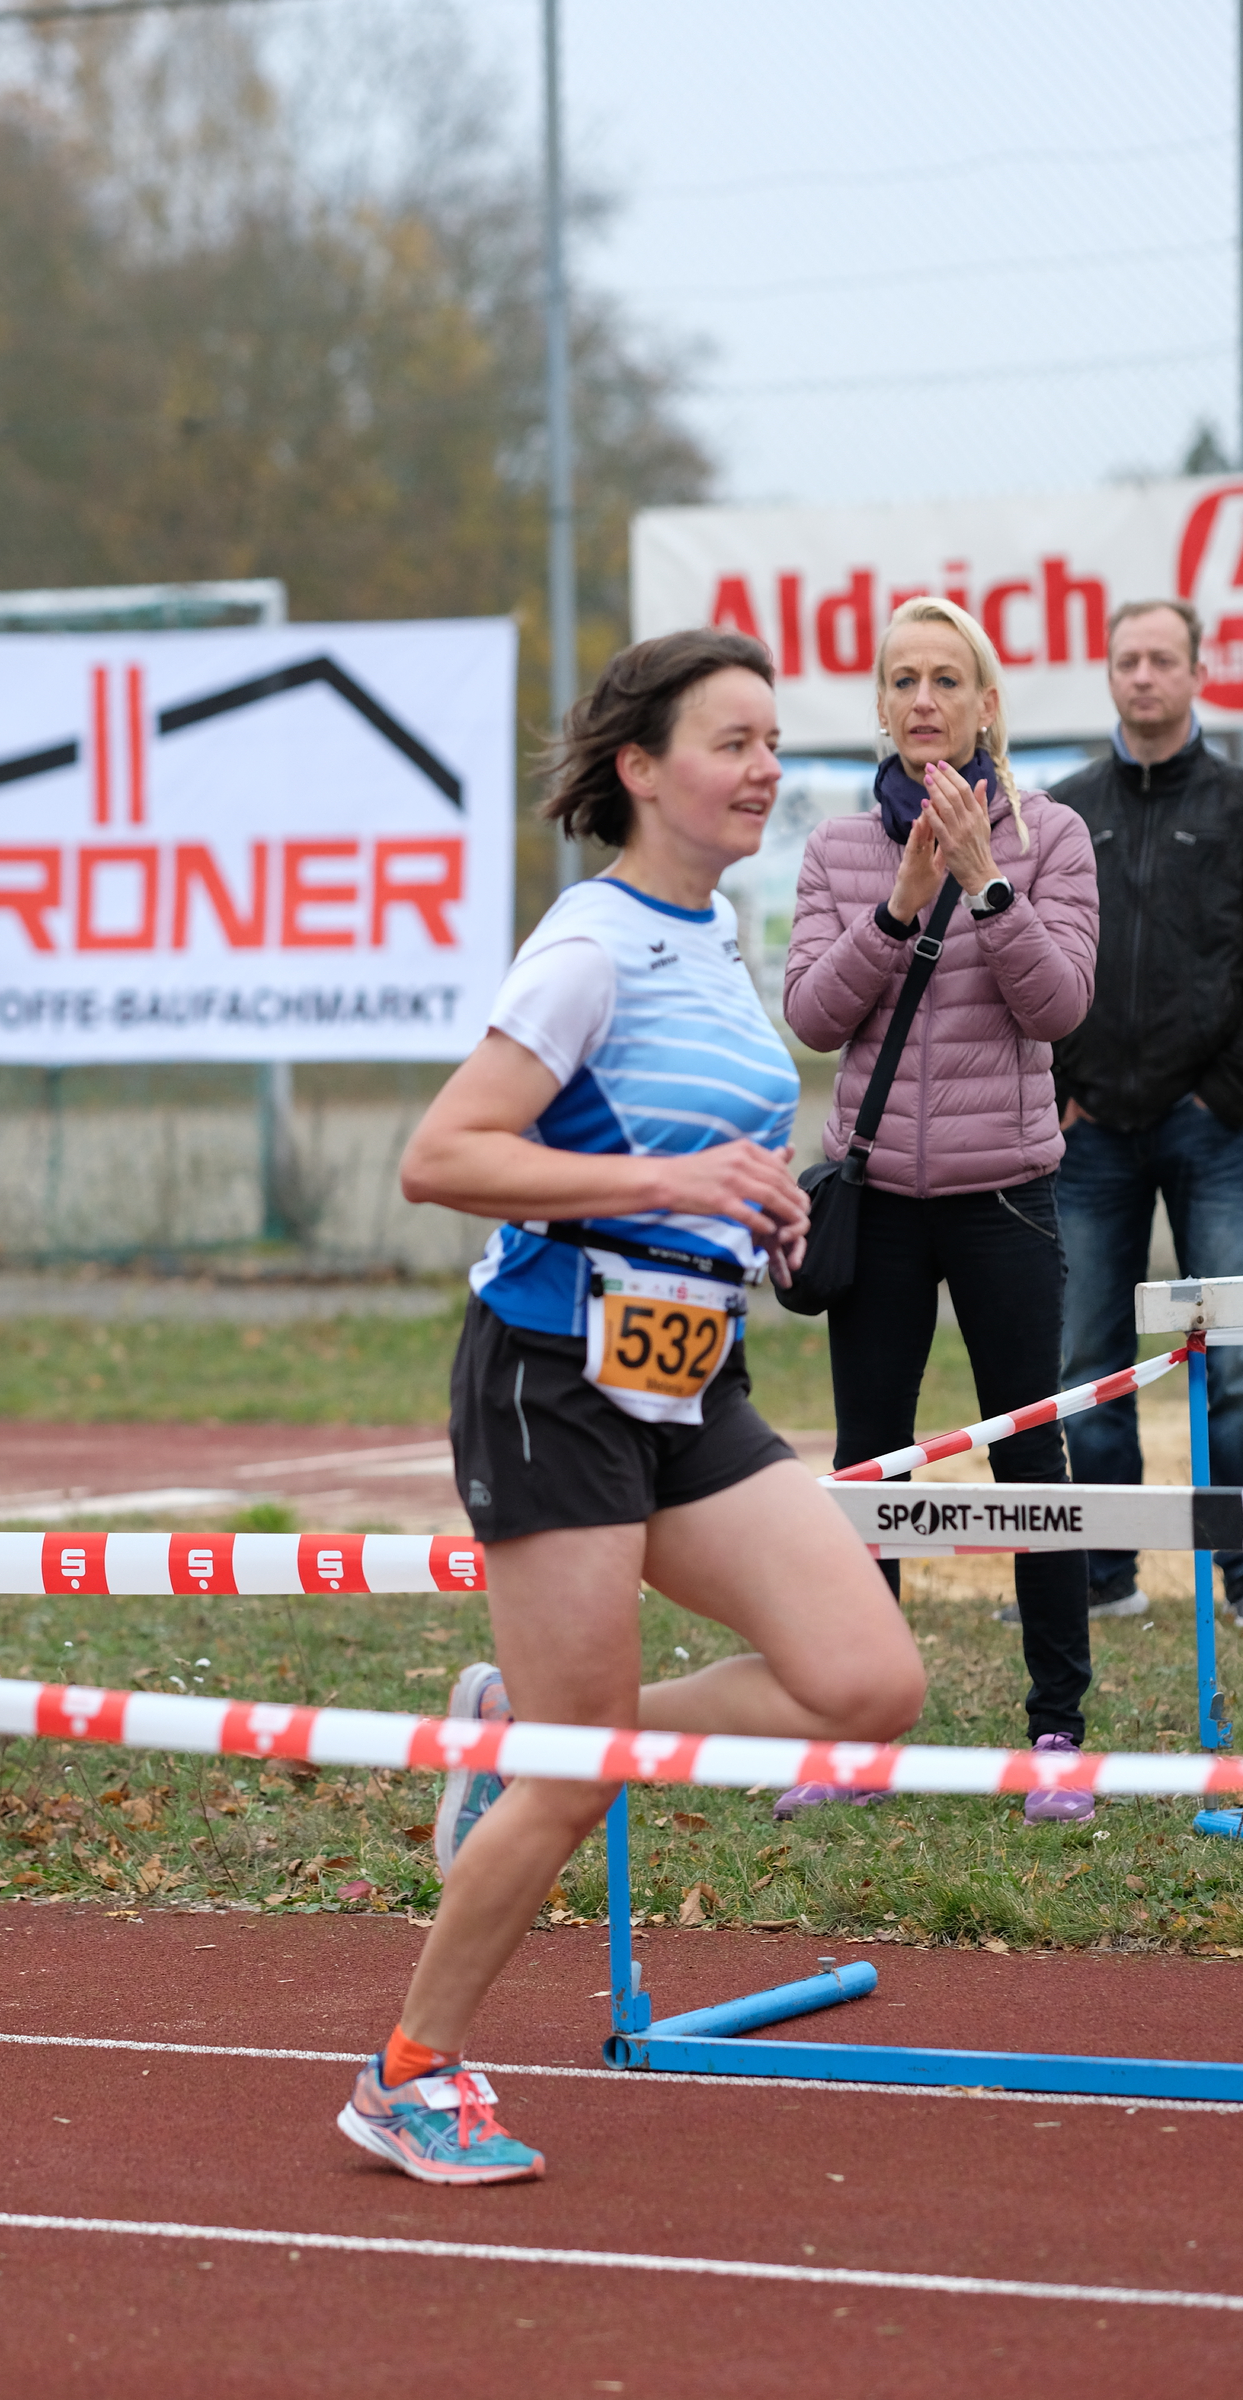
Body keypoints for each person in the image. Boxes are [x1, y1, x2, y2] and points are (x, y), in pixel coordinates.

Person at [335, 628, 925, 2187]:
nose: (767, 769)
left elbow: (688, 1147)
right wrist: (669, 1183)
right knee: (579, 1766)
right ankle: (408, 2075)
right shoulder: (589, 946)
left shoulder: (714, 934)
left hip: (692, 1376)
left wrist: (760, 1214)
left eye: (774, 742)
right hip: (555, 1382)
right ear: (641, 770)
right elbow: (443, 1157)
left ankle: (520, 1740)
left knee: (867, 1683)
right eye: (734, 743)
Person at [783, 597, 1099, 1821]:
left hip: (1004, 1194)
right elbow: (812, 1017)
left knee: (1030, 1456)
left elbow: (1059, 1008)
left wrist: (983, 884)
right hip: (875, 1203)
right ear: (880, 703)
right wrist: (898, 905)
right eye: (902, 679)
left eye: (946, 679)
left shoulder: (1051, 835)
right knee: (871, 1458)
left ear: (985, 705)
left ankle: (1056, 1733)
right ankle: (857, 1739)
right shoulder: (834, 850)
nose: (923, 700)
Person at [1050, 600, 1243, 1630]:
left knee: (1237, 1366)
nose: (1142, 676)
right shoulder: (1066, 810)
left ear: (1197, 672)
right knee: (1087, 1362)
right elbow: (1026, 954)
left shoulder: (1235, 804)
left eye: (1162, 659)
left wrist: (1225, 1094)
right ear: (1109, 673)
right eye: (1127, 659)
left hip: (1214, 1129)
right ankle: (1104, 1577)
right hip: (1089, 1134)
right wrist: (1059, 1088)